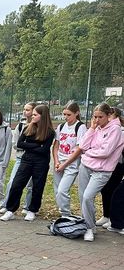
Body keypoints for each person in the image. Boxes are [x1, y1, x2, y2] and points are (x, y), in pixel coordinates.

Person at [77, 103, 124, 242]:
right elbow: (82, 145)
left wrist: (88, 152)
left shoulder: (116, 130)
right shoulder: (96, 128)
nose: (97, 120)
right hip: (86, 166)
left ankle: (89, 228)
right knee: (83, 198)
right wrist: (91, 129)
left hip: (102, 170)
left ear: (109, 116)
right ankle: (88, 226)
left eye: (100, 117)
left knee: (87, 197)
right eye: (94, 117)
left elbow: (106, 152)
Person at [1, 104, 55, 222]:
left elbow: (44, 149)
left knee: (37, 186)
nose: (32, 116)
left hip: (41, 162)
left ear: (43, 116)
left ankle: (32, 210)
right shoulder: (28, 127)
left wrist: (31, 146)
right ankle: (10, 210)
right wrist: (37, 145)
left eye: (35, 115)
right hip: (26, 160)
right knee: (16, 184)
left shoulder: (50, 132)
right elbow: (20, 144)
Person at [0, 102, 36, 214]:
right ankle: (7, 204)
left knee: (30, 185)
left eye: (28, 110)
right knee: (12, 182)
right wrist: (28, 146)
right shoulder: (20, 126)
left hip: (34, 159)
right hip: (21, 158)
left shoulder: (39, 126)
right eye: (24, 109)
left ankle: (27, 207)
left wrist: (27, 145)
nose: (25, 112)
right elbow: (16, 143)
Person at [52, 101, 87, 217]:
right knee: (57, 191)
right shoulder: (61, 126)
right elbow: (56, 146)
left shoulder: (80, 127)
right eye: (64, 114)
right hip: (59, 162)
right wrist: (56, 161)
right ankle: (63, 214)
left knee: (62, 190)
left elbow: (78, 150)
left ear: (76, 113)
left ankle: (66, 215)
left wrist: (64, 164)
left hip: (71, 164)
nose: (66, 117)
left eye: (68, 115)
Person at [96, 107, 124, 229]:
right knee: (106, 189)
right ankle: (107, 215)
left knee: (116, 192)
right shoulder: (105, 130)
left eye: (111, 117)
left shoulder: (119, 131)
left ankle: (115, 220)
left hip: (120, 164)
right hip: (112, 164)